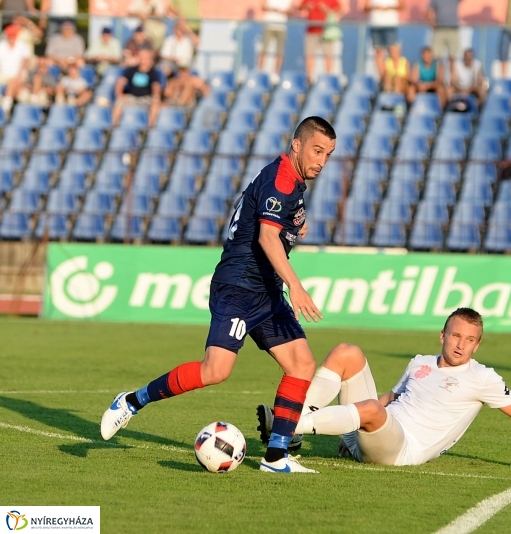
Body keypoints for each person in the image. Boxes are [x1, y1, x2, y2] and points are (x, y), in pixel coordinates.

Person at [101, 116, 336, 475]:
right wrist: (296, 284)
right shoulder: (281, 179)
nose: (322, 160)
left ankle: (275, 457)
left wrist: (295, 226)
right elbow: (266, 238)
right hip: (240, 286)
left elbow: (274, 223)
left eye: (328, 154)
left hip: (265, 290)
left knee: (302, 364)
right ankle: (132, 401)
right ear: (297, 144)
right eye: (317, 150)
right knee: (215, 371)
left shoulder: (292, 180)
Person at [256, 308, 511, 471]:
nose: (460, 344)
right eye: (455, 335)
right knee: (348, 352)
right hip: (372, 433)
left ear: (477, 345)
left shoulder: (482, 377)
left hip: (402, 450)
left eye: (469, 340)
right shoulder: (420, 363)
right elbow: (390, 398)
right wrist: (350, 427)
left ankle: (288, 427)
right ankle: (298, 422)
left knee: (372, 410)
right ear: (442, 335)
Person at [112, 48, 161, 127]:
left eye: (145, 58)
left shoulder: (153, 72)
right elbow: (120, 82)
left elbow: (156, 86)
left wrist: (156, 96)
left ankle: (150, 129)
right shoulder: (131, 70)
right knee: (118, 103)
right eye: (141, 57)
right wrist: (119, 94)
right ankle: (114, 127)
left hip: (146, 98)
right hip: (132, 97)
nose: (143, 60)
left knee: (155, 105)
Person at [299, 0, 341, 82]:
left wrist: (327, 9)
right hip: (311, 30)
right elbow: (300, 7)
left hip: (326, 32)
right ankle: (309, 78)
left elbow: (338, 9)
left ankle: (328, 77)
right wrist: (307, 6)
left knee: (328, 55)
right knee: (310, 54)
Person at [365, 0, 403, 80]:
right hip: (376, 25)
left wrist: (388, 8)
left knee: (392, 53)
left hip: (390, 25)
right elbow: (365, 7)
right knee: (378, 53)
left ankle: (393, 78)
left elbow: (402, 6)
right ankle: (383, 79)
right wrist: (376, 7)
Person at [0, 24, 32, 114]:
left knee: (12, 83)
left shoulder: (23, 46)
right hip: (3, 76)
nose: (11, 38)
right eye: (10, 35)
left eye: (13, 35)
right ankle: (8, 104)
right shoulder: (2, 45)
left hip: (17, 77)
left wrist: (20, 74)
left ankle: (6, 107)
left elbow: (26, 62)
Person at [259, 0, 292, 80]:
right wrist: (273, 9)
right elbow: (262, 7)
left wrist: (283, 11)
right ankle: (260, 72)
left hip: (281, 27)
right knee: (264, 50)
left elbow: (291, 12)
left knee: (280, 52)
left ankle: (276, 74)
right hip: (269, 26)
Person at [427, 0, 460, 64]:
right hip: (439, 29)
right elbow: (430, 11)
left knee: (453, 57)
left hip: (453, 29)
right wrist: (432, 23)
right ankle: (438, 73)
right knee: (435, 56)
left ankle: (452, 73)